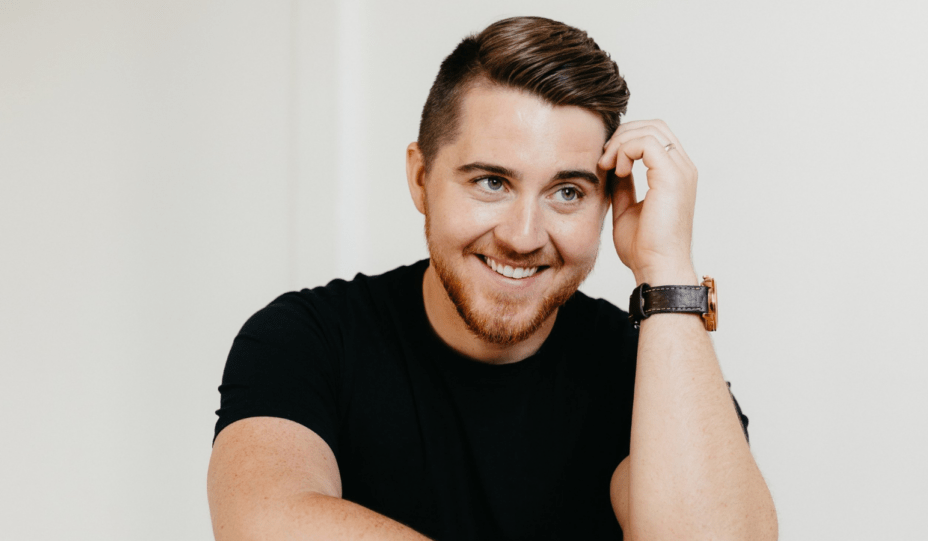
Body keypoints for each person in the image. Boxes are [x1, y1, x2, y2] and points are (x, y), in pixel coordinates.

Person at [207, 16, 777, 541]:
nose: (524, 235)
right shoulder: (307, 340)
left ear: (606, 205)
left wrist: (668, 269)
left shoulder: (648, 367)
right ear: (421, 178)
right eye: (492, 182)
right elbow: (265, 520)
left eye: (567, 192)